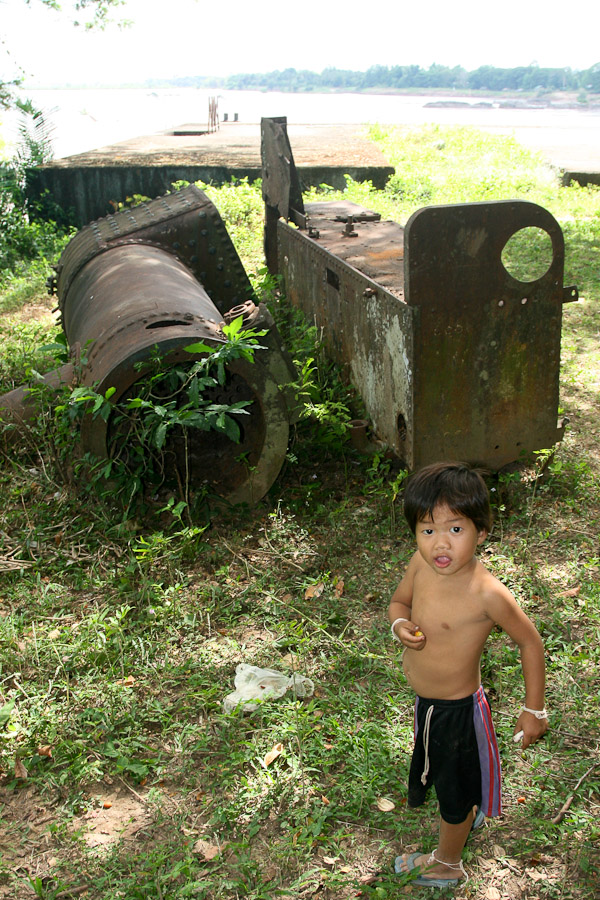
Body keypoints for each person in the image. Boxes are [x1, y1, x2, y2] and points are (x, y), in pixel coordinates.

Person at [388, 462, 548, 888]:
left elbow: (531, 643)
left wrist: (535, 710)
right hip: (427, 707)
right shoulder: (419, 566)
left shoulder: (487, 593)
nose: (440, 543)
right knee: (447, 780)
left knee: (453, 794)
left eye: (455, 530)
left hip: (458, 715)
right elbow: (398, 604)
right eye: (427, 530)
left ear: (481, 530)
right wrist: (398, 625)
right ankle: (465, 816)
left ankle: (447, 862)